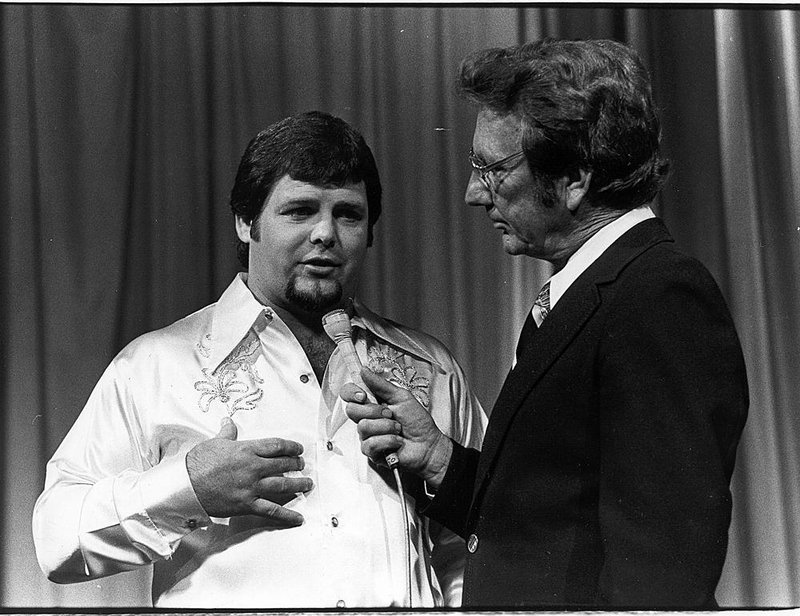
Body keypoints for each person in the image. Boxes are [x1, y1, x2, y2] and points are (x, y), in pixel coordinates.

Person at [343, 39, 749, 608]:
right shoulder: (595, 290)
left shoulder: (658, 296)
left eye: (492, 169)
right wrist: (440, 458)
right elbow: (556, 522)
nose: (471, 194)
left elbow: (662, 571)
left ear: (575, 178)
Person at [32, 111, 487, 608]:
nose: (325, 234)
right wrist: (189, 488)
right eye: (299, 210)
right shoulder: (156, 365)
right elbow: (56, 541)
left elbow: (470, 548)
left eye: (348, 214)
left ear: (371, 232)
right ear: (246, 222)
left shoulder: (430, 367)